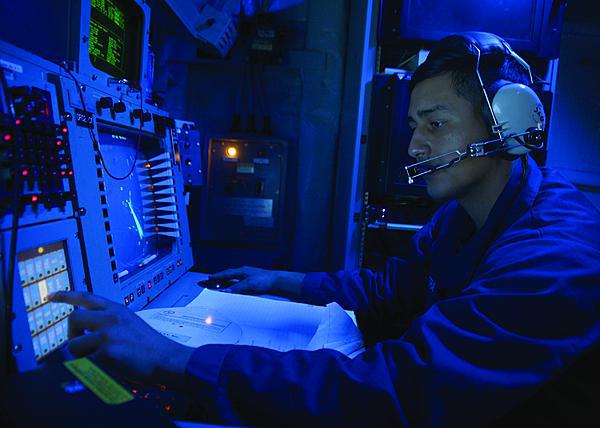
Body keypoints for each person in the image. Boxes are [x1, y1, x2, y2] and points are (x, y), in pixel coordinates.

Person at [50, 32, 600, 426]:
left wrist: (171, 359)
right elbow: (393, 291)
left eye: (435, 124)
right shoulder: (461, 218)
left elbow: (404, 394)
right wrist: (279, 280)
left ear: (510, 126)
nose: (414, 146)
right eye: (413, 125)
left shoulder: (553, 258)